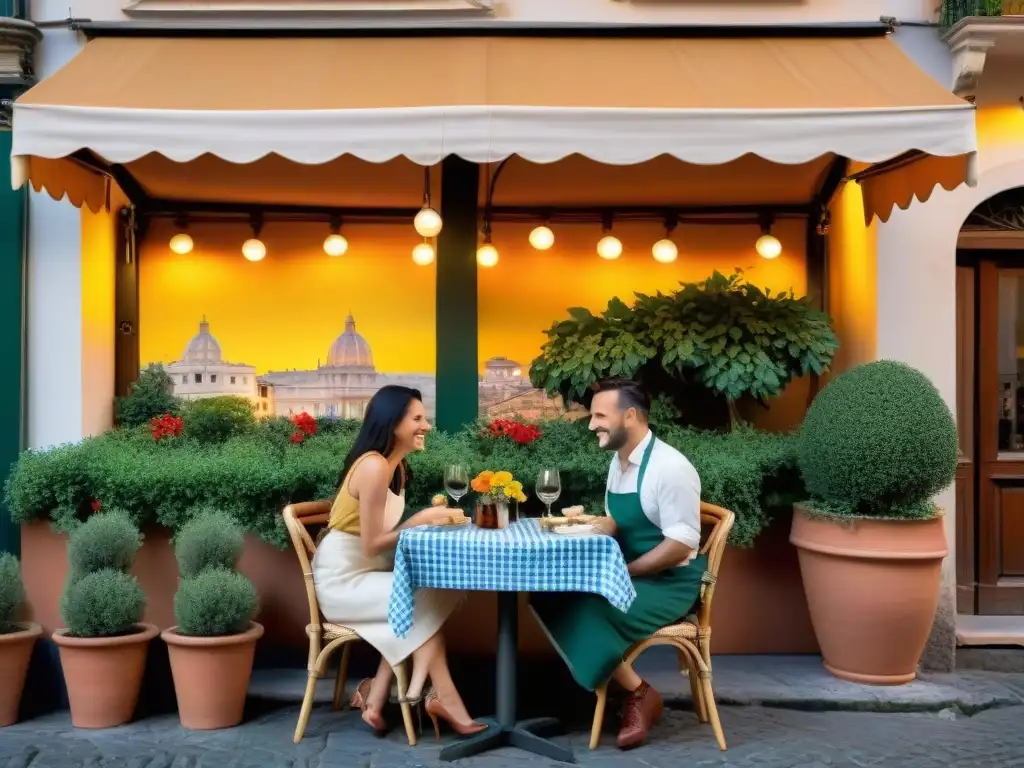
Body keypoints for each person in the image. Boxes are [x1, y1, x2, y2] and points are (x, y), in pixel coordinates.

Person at [530, 377, 706, 750]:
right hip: (631, 571)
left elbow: (681, 543)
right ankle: (613, 687)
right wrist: (588, 526)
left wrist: (626, 572)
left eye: (599, 415)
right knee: (548, 593)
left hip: (669, 582)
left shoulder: (670, 467)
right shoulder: (620, 460)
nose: (592, 424)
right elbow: (617, 521)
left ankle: (639, 695)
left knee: (588, 610)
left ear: (630, 415)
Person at [312, 385, 486, 739]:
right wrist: (418, 521)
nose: (427, 426)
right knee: (424, 599)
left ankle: (380, 695)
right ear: (393, 423)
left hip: (368, 573)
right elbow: (374, 544)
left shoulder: (395, 467)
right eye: (417, 418)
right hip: (344, 581)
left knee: (436, 590)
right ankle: (437, 696)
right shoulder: (374, 467)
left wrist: (427, 521)